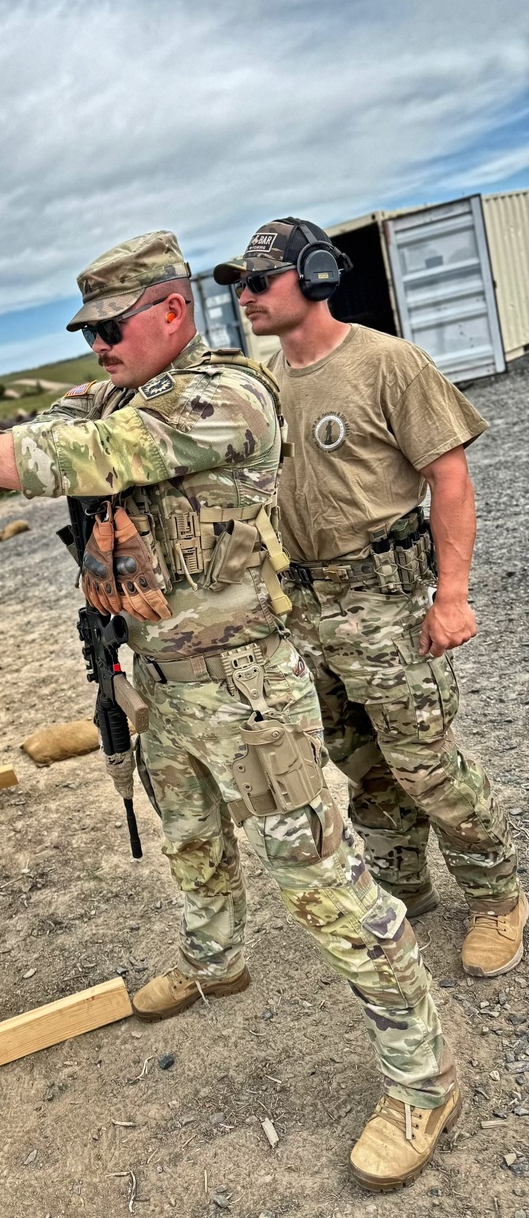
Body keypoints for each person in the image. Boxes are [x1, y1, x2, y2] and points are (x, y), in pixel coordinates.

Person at [0, 230, 459, 1190]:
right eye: (86, 332)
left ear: (173, 312)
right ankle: (216, 960)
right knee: (190, 840)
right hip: (163, 682)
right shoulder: (116, 391)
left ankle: (424, 1077)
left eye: (112, 326)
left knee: (324, 884)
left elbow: (89, 452)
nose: (96, 346)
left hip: (251, 694)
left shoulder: (227, 395)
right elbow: (44, 435)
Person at [214, 218, 524, 980]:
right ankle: (403, 880)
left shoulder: (388, 363)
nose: (246, 297)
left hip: (382, 601)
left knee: (425, 762)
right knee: (358, 758)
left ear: (316, 275)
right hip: (304, 606)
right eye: (239, 287)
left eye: (260, 281)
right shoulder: (263, 389)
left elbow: (450, 479)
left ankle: (496, 893)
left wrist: (451, 596)